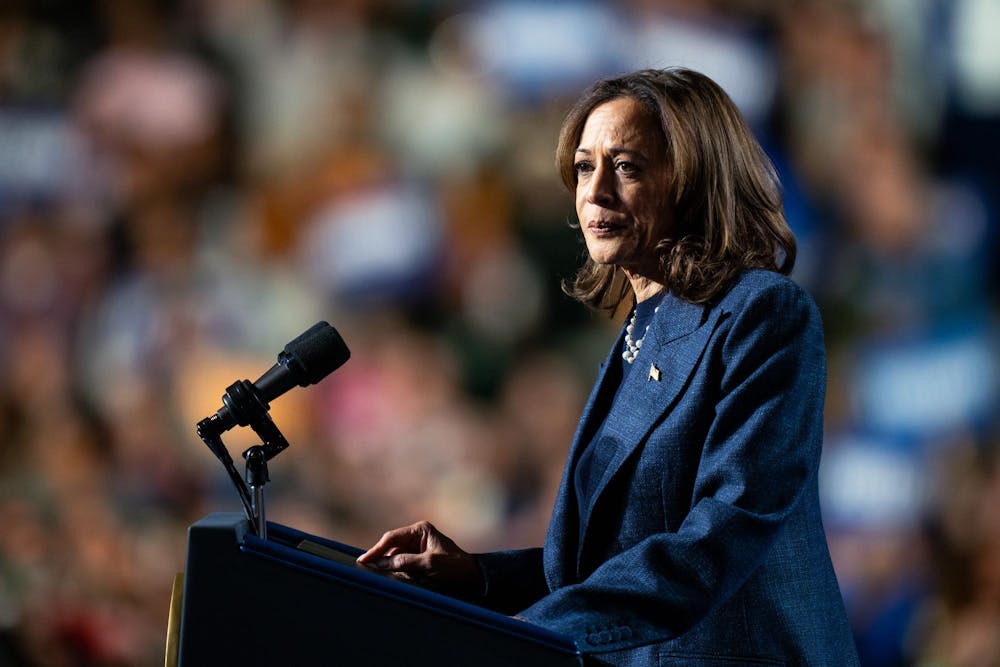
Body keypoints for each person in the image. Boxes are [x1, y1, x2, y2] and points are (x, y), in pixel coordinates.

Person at [357, 68, 859, 666]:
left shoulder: (765, 314)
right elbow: (609, 561)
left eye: (626, 167)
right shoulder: (637, 329)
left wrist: (530, 631)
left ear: (694, 179)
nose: (595, 193)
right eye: (583, 168)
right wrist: (478, 579)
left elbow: (718, 539)